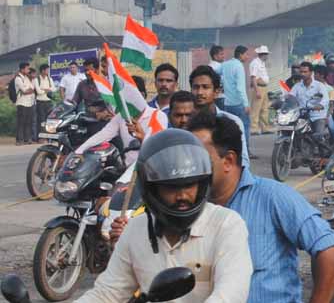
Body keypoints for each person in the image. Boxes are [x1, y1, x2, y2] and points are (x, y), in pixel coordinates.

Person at [79, 129, 252, 303]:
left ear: (202, 184)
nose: (182, 196)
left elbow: (230, 294)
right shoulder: (135, 230)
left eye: (190, 185)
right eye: (171, 187)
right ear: (152, 189)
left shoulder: (227, 225)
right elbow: (107, 293)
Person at [187, 114, 334, 303]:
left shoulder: (273, 197)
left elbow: (331, 251)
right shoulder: (187, 208)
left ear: (229, 160)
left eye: (198, 159)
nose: (189, 167)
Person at [188, 65, 250, 169]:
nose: (199, 92)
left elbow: (243, 161)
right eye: (196, 87)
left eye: (205, 87)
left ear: (216, 92)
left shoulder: (232, 121)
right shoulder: (185, 120)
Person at [290, 62, 332, 156]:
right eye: (301, 72)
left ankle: (325, 156)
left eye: (305, 72)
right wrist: (283, 103)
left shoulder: (319, 86)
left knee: (318, 136)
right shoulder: (297, 86)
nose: (302, 74)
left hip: (317, 116)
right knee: (293, 131)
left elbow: (325, 100)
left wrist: (319, 106)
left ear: (311, 72)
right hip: (301, 115)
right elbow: (290, 97)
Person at [221, 46, 252, 159]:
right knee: (244, 127)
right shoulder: (239, 66)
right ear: (240, 55)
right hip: (238, 103)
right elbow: (240, 88)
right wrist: (246, 104)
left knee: (230, 128)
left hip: (227, 103)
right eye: (246, 54)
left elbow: (217, 73)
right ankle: (245, 151)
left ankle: (230, 150)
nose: (247, 57)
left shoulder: (226, 64)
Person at [250, 46, 272, 135]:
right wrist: (257, 90)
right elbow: (253, 78)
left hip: (264, 87)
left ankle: (265, 128)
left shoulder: (261, 63)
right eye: (266, 54)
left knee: (264, 109)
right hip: (258, 87)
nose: (267, 56)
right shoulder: (255, 63)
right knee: (255, 109)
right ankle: (253, 128)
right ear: (262, 54)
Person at [14, 62, 35, 145]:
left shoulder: (26, 78)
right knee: (21, 122)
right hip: (21, 103)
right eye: (27, 69)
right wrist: (28, 90)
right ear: (22, 69)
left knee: (28, 121)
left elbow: (32, 88)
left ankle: (27, 139)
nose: (28, 70)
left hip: (29, 103)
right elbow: (24, 91)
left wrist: (29, 90)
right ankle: (19, 140)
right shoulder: (18, 78)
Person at [34, 64, 55, 140]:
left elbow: (53, 89)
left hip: (49, 102)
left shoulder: (49, 79)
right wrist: (47, 89)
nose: (48, 71)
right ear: (42, 70)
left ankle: (50, 138)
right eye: (47, 70)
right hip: (40, 102)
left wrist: (44, 89)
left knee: (50, 120)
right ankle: (41, 138)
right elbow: (38, 92)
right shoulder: (36, 79)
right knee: (41, 120)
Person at [208, 45, 226, 110]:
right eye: (221, 54)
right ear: (215, 56)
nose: (224, 56)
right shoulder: (218, 67)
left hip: (214, 96)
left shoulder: (210, 66)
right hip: (220, 96)